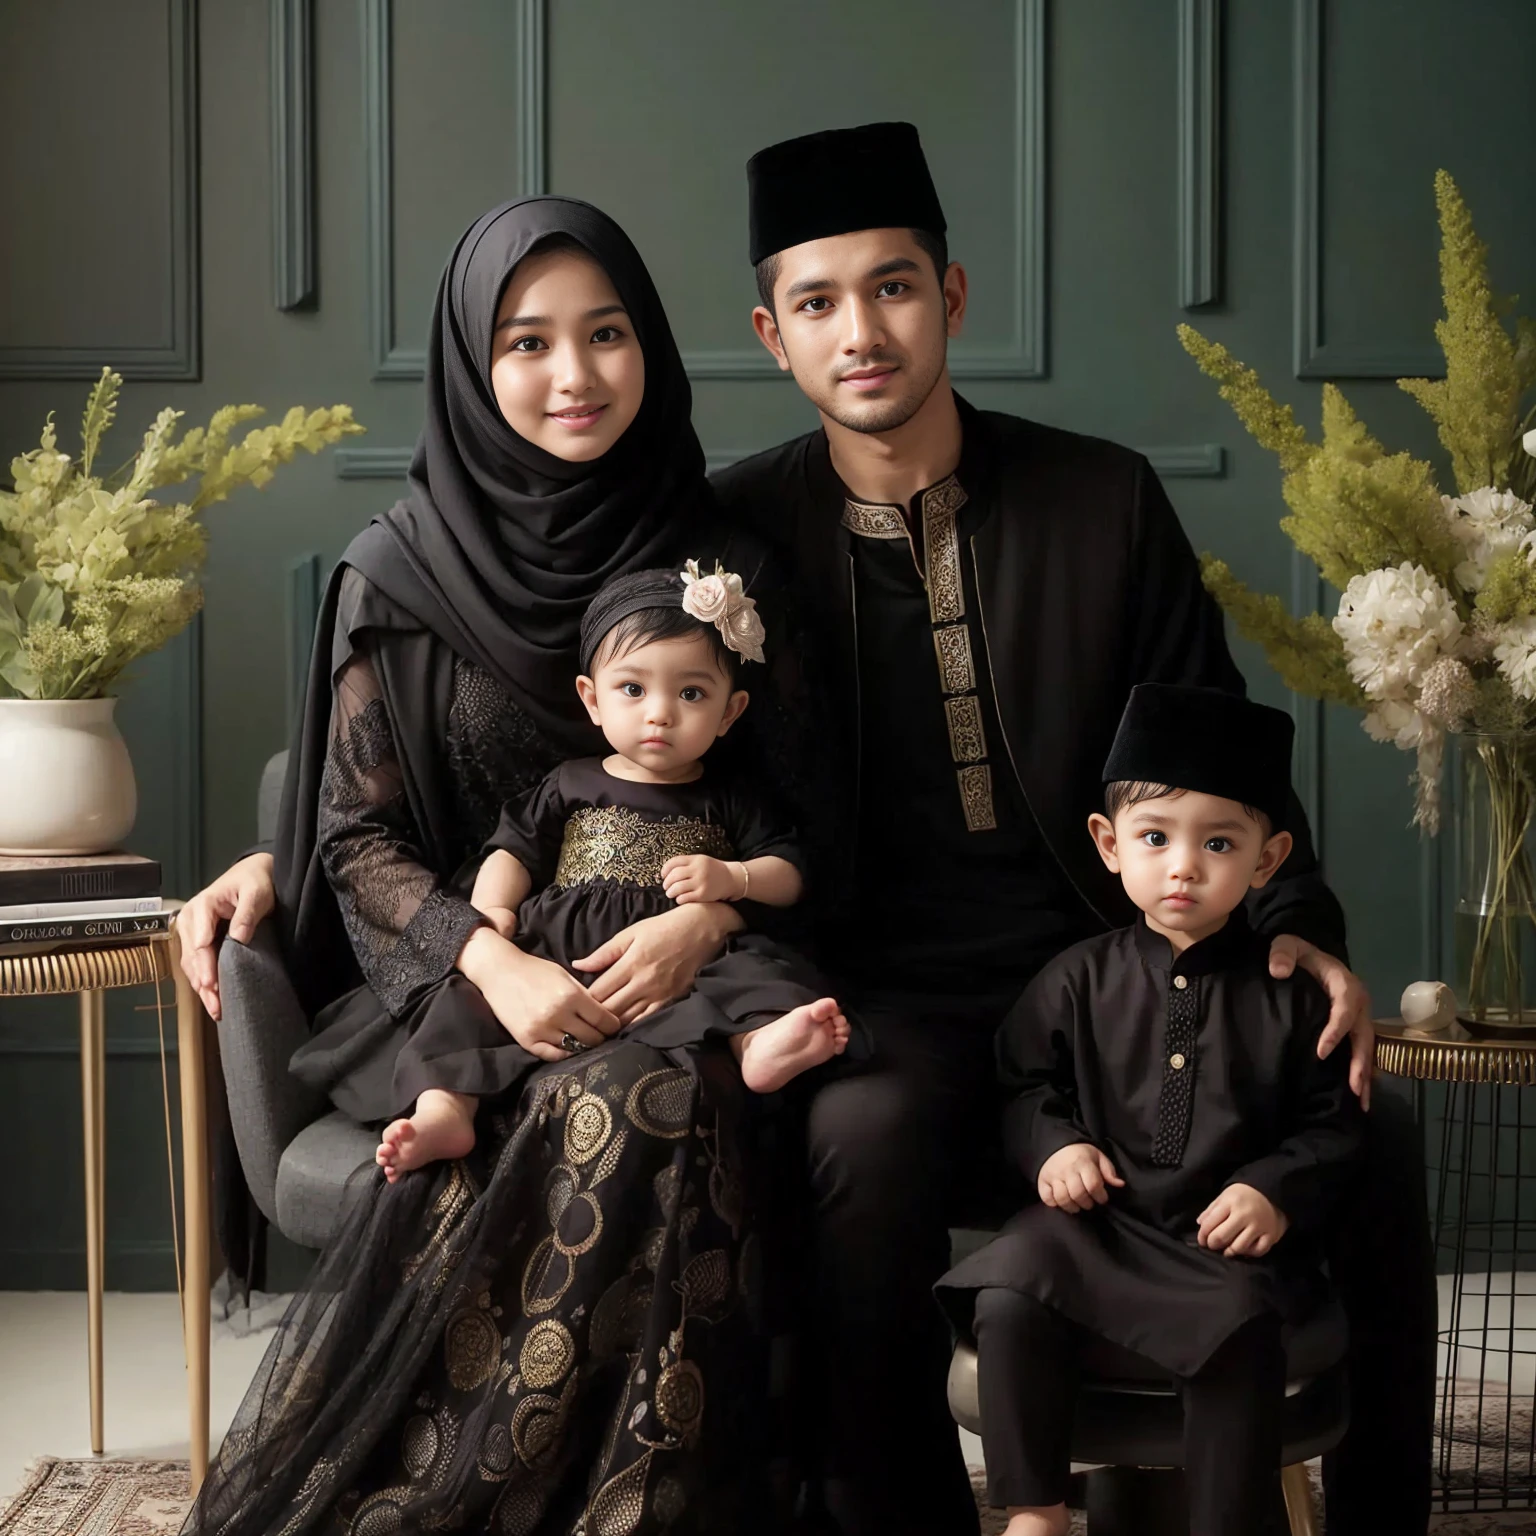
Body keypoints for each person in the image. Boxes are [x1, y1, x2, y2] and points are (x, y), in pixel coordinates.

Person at [707, 121, 1433, 1536]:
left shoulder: (1102, 500)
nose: (862, 331)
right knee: (860, 1136)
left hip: (1117, 974)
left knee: (1377, 1129)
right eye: (818, 302)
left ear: (954, 297)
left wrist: (1298, 931)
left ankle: (1376, 1509)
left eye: (895, 287)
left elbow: (1217, 745)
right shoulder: (734, 532)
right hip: (874, 999)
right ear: (771, 333)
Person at [184, 196, 799, 1536]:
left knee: (661, 1081)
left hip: (685, 971)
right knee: (621, 1097)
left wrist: (706, 930)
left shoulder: (727, 561)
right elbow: (356, 834)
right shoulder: (393, 576)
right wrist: (500, 965)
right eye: (526, 341)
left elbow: (784, 807)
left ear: (655, 348)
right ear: (470, 361)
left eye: (608, 333)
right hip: (469, 980)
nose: (573, 375)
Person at [937, 683, 1364, 1536]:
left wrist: (1273, 1189)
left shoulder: (1293, 996)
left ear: (1268, 860)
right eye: (1156, 838)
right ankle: (1035, 1510)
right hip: (1102, 1230)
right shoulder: (1075, 978)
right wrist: (1055, 1147)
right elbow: (1023, 1086)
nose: (1183, 867)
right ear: (1109, 844)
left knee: (1241, 1332)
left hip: (1219, 1250)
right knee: (1013, 1288)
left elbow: (1334, 1126)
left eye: (1218, 844)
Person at [371, 561, 851, 1180]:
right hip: (560, 951)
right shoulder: (569, 783)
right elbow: (511, 852)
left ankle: (758, 1047)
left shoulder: (733, 798)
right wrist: (493, 914)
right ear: (591, 699)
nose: (660, 714)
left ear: (730, 714)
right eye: (633, 689)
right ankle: (444, 1108)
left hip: (684, 962)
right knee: (465, 999)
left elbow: (788, 872)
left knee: (756, 969)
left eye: (691, 694)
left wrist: (735, 880)